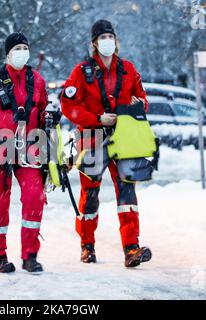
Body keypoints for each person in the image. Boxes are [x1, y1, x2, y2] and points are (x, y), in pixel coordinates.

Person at [60, 20, 152, 268]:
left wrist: (137, 105)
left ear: (116, 40)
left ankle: (131, 247)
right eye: (103, 37)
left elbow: (143, 101)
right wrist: (96, 119)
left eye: (110, 36)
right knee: (90, 195)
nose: (107, 41)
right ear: (94, 43)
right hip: (92, 139)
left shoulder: (129, 70)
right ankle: (87, 245)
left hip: (124, 138)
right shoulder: (81, 72)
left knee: (127, 193)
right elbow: (68, 105)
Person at [0, 32, 48, 273]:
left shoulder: (38, 81)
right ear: (8, 53)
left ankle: (30, 255)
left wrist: (50, 120)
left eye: (25, 47)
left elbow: (44, 114)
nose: (22, 52)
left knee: (35, 197)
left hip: (29, 149)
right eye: (17, 48)